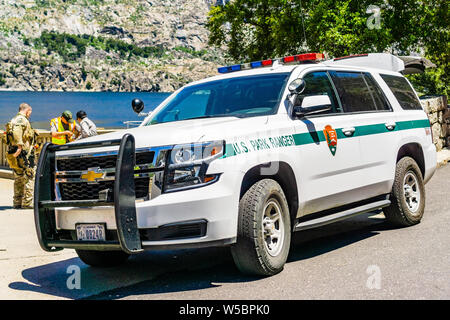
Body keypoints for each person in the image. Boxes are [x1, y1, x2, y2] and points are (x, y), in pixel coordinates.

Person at [4, 103, 38, 209]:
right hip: (24, 154)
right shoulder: (21, 120)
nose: (30, 115)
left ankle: (17, 202)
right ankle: (27, 203)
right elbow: (17, 131)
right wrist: (19, 146)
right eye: (30, 112)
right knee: (29, 176)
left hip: (18, 154)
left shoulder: (14, 119)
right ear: (27, 110)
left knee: (18, 177)